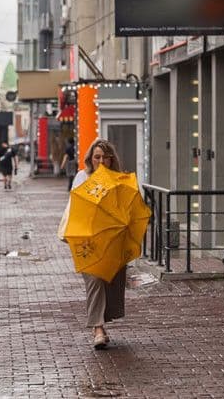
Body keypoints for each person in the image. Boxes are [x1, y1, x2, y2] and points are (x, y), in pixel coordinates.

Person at [70, 138, 126, 349]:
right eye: (97, 157)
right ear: (90, 159)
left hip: (111, 240)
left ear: (112, 160)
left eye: (105, 157)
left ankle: (102, 322)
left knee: (110, 281)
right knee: (93, 280)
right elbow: (75, 207)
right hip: (87, 239)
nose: (101, 161)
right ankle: (98, 329)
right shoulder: (81, 178)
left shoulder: (119, 180)